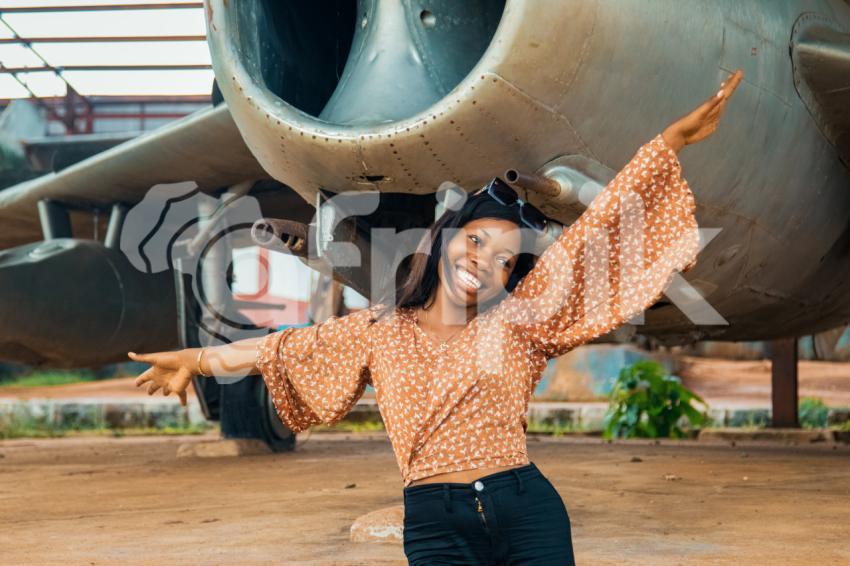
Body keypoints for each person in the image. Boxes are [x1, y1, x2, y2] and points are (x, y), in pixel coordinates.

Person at [129, 69, 744, 565]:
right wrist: (194, 361)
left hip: (525, 508)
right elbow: (279, 349)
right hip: (433, 521)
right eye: (476, 241)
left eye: (504, 260)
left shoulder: (520, 322)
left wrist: (671, 142)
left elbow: (594, 234)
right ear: (446, 238)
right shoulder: (379, 330)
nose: (484, 261)